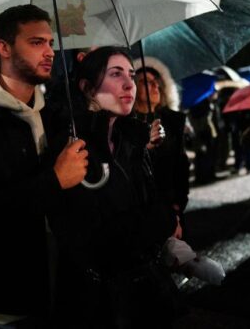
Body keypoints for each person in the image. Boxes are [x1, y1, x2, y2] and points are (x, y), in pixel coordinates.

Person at [0, 4, 88, 328]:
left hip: (52, 286)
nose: (49, 51)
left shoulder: (49, 113)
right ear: (4, 48)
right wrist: (54, 180)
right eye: (36, 43)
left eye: (50, 42)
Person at [47, 47, 178, 328]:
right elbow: (98, 237)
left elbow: (151, 198)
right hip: (96, 302)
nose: (130, 83)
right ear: (86, 87)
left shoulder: (129, 140)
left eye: (130, 75)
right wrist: (163, 222)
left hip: (139, 294)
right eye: (115, 74)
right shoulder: (72, 148)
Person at [133, 57, 190, 227]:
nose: (155, 86)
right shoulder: (124, 124)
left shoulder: (172, 122)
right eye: (146, 82)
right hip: (139, 208)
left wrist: (178, 205)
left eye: (156, 82)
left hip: (170, 204)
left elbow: (181, 165)